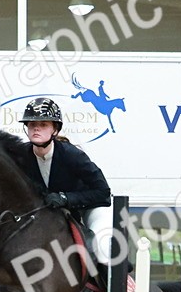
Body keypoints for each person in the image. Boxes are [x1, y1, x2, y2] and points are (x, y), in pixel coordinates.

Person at [14, 97, 115, 277]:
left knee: (101, 246)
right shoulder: (20, 156)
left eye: (43, 124)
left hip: (90, 206)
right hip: (51, 212)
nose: (36, 128)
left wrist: (66, 198)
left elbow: (103, 193)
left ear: (55, 129)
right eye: (31, 124)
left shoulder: (72, 155)